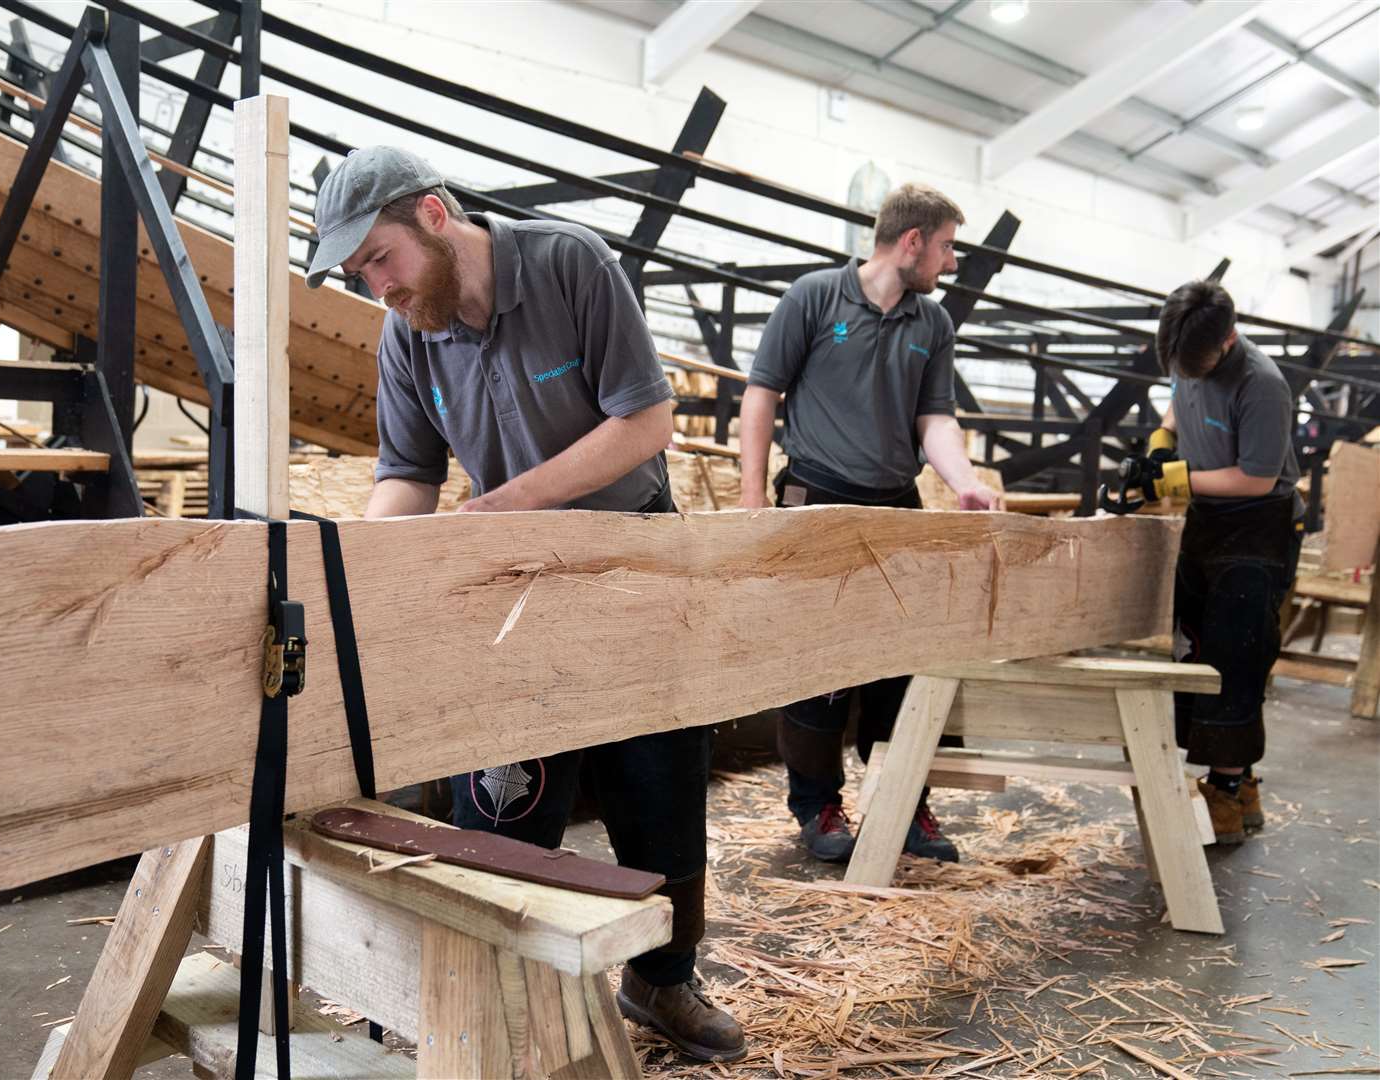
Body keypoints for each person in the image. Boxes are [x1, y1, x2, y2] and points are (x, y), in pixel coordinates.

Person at [304, 146, 746, 1062]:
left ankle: (662, 981)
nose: (375, 286)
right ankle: (493, 995)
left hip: (632, 564)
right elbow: (406, 474)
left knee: (660, 784)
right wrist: (362, 578)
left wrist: (507, 503)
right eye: (358, 274)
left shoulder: (568, 265)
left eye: (379, 259)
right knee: (504, 793)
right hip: (516, 589)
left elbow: (646, 421)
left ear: (433, 214)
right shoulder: (406, 335)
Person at [737, 183, 1000, 866]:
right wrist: (749, 497)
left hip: (894, 504)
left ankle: (905, 801)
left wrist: (963, 482)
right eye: (946, 246)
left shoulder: (932, 325)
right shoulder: (815, 298)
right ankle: (817, 804)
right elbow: (762, 392)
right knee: (818, 664)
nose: (949, 262)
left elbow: (933, 419)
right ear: (912, 241)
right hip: (817, 496)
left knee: (902, 665)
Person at [1120, 279, 1301, 844]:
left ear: (1227, 340)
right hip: (1208, 521)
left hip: (1259, 526)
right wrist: (1160, 444)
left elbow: (1257, 475)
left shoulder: (1262, 385)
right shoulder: (1186, 354)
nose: (1186, 373)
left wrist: (1177, 478)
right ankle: (1241, 785)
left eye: (1197, 365)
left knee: (1236, 657)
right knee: (1194, 647)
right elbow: (1178, 403)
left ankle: (1224, 794)